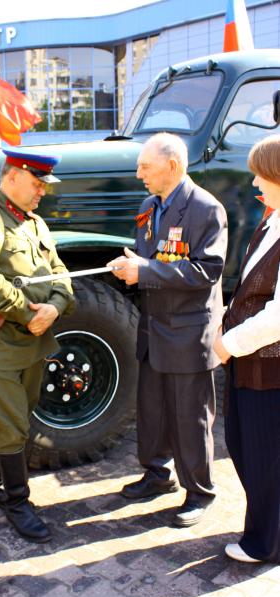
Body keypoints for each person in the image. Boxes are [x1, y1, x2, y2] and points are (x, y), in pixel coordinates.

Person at [0, 150, 75, 543]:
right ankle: (18, 502)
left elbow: (61, 276)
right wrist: (28, 312)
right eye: (37, 184)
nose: (42, 192)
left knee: (14, 423)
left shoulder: (35, 224)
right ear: (13, 177)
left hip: (34, 345)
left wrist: (53, 308)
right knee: (11, 426)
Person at [107, 132, 228, 527]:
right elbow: (148, 253)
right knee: (153, 411)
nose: (139, 172)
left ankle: (200, 492)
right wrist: (130, 264)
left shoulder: (206, 209)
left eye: (145, 166)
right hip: (154, 327)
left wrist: (145, 270)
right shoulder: (148, 205)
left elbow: (206, 270)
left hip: (188, 331)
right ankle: (157, 475)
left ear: (171, 166)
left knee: (190, 417)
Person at [214, 134, 280, 563]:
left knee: (264, 458)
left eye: (261, 175)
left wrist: (228, 343)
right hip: (248, 362)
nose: (255, 184)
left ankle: (265, 543)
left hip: (267, 367)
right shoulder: (272, 219)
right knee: (246, 448)